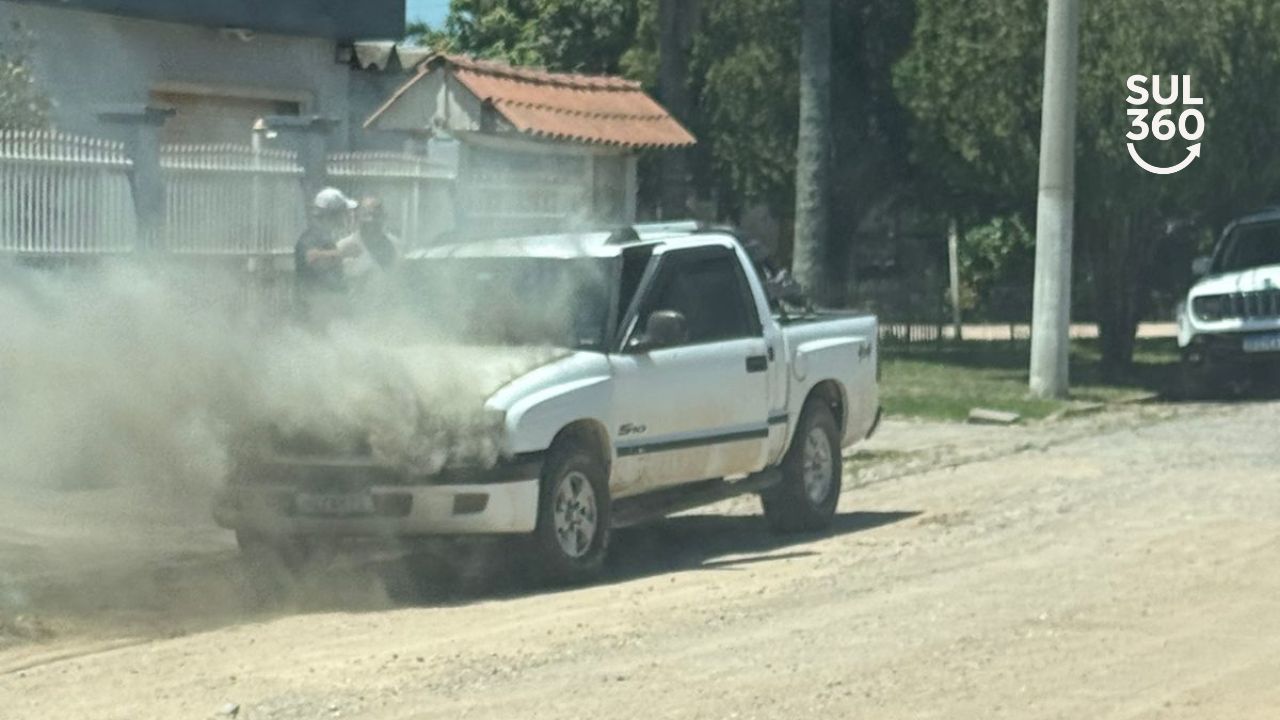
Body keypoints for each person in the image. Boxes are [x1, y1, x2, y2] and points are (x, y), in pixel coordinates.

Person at [294, 187, 358, 324]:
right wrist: (343, 253)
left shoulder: (325, 237)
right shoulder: (312, 236)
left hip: (327, 308)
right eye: (342, 212)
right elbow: (311, 258)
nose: (345, 216)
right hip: (315, 310)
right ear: (332, 214)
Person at [336, 196, 404, 306]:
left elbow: (402, 285)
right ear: (357, 217)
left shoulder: (395, 246)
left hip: (390, 318)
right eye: (366, 215)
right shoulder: (342, 248)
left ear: (383, 217)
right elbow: (331, 291)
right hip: (355, 319)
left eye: (376, 215)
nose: (371, 220)